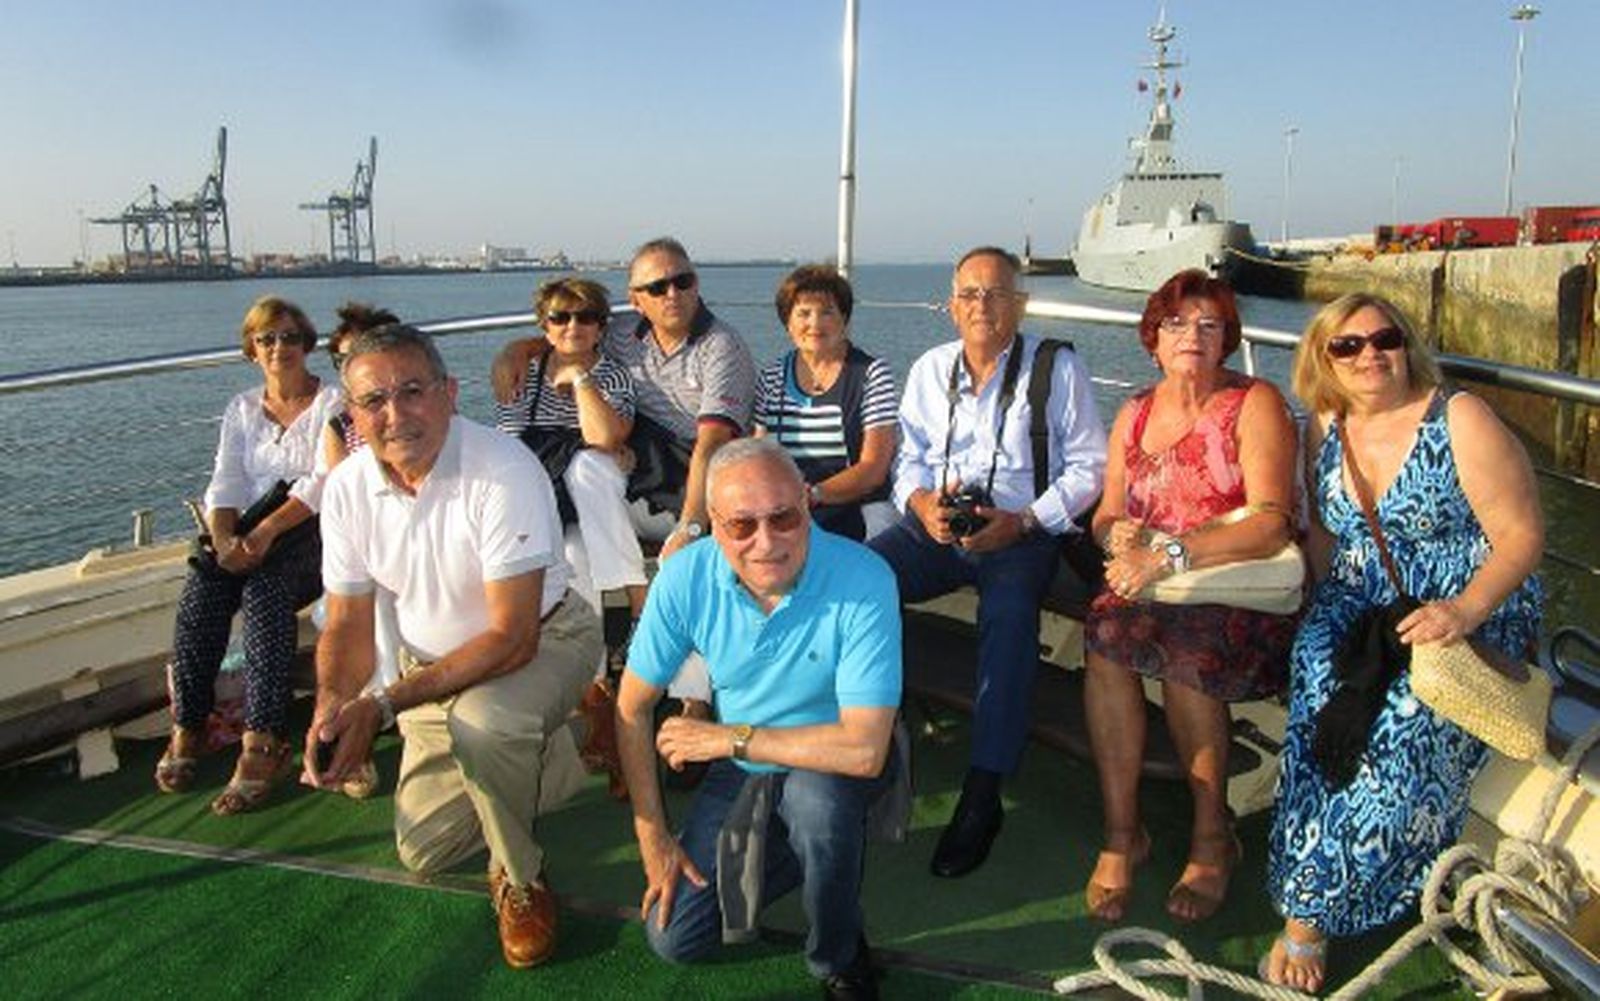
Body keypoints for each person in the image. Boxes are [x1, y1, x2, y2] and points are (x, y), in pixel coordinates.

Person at [1261, 294, 1544, 992]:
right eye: (1347, 346)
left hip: (1462, 610)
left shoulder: (1460, 418)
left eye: (1383, 338)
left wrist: (1464, 610)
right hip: (1360, 602)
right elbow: (1328, 532)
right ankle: (1312, 874)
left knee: (1403, 731)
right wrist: (1318, 606)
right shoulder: (1324, 424)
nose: (1369, 355)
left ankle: (1309, 914)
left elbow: (1523, 537)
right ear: (1322, 359)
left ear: (1406, 343)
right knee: (1318, 691)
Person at [307, 325, 603, 970]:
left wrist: (382, 707)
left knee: (484, 724)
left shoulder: (501, 471)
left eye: (412, 391)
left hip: (545, 642)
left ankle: (520, 877)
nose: (394, 414)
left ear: (449, 393)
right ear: (352, 414)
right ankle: (572, 735)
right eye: (373, 400)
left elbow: (511, 638)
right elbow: (350, 622)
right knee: (428, 849)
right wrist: (332, 704)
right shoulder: (349, 488)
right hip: (433, 671)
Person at [616, 437, 901, 1000]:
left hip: (837, 751)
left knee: (817, 809)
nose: (766, 543)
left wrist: (729, 738)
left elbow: (866, 750)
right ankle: (815, 853)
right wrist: (651, 833)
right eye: (742, 526)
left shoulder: (865, 578)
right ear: (713, 525)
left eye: (784, 518)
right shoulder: (684, 579)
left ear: (807, 504)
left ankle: (839, 958)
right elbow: (630, 706)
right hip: (743, 766)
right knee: (675, 937)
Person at [869, 246, 1107, 878]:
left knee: (1008, 617)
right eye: (970, 295)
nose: (983, 306)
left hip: (1021, 531)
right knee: (863, 582)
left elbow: (1090, 467)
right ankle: (867, 736)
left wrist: (1024, 521)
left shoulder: (1056, 368)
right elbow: (909, 459)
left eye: (997, 293)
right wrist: (921, 505)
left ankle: (984, 788)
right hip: (940, 529)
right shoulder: (929, 369)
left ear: (1020, 305)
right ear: (951, 307)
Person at [1080, 270, 1300, 924]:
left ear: (1228, 337)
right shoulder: (1136, 412)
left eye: (1209, 324)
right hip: (1155, 583)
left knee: (1186, 650)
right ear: (1154, 338)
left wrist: (1170, 552)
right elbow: (1105, 513)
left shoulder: (1253, 402)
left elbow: (1270, 521)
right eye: (1178, 324)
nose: (1193, 336)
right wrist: (1113, 532)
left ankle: (1213, 836)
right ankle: (1124, 832)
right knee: (1105, 641)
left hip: (1240, 589)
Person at [155, 296, 342, 814]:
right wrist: (222, 539)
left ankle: (263, 741)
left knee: (266, 594)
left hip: (308, 530)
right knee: (203, 591)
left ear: (306, 345)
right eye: (266, 339)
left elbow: (325, 481)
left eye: (288, 337)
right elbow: (227, 480)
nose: (278, 347)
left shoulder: (331, 403)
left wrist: (263, 536)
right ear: (251, 349)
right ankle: (189, 725)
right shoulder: (242, 408)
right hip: (246, 525)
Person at [493, 237, 757, 561]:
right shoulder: (622, 333)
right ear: (636, 300)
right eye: (658, 288)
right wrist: (518, 350)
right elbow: (573, 336)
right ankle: (626, 601)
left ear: (696, 283)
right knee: (576, 508)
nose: (673, 294)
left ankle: (635, 594)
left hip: (701, 474)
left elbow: (712, 443)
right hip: (648, 467)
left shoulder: (721, 346)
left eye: (682, 281)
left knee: (578, 510)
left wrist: (690, 527)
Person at [495, 276, 648, 622]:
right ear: (544, 326)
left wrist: (580, 378)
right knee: (573, 554)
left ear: (600, 328)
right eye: (560, 317)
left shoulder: (612, 375)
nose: (573, 326)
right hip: (546, 487)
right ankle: (592, 668)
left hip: (596, 490)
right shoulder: (524, 371)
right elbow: (509, 441)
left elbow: (605, 439)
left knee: (588, 465)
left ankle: (636, 592)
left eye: (585, 317)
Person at [754, 264, 898, 540]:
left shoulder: (871, 374)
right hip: (786, 505)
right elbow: (760, 455)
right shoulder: (772, 377)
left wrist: (813, 495)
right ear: (788, 322)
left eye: (827, 312)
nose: (815, 323)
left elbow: (874, 469)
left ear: (844, 319)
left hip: (856, 504)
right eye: (804, 313)